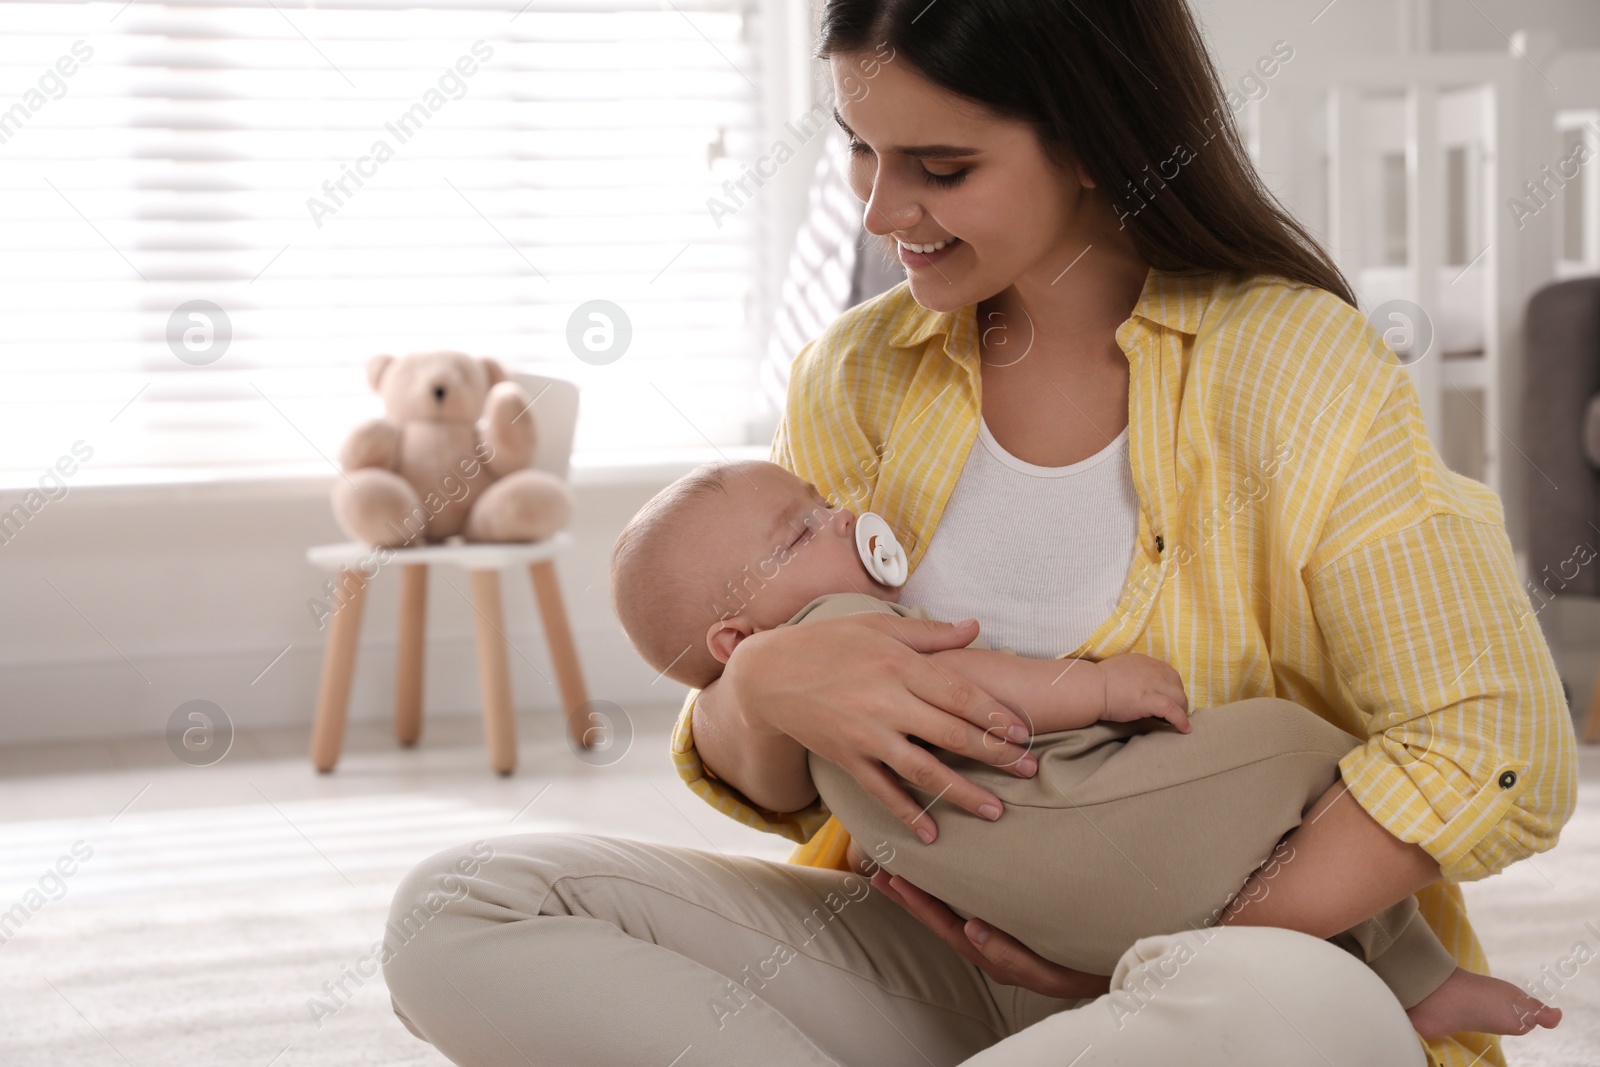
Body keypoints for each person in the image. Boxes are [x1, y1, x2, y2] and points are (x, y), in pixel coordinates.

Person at [380, 2, 1578, 1064]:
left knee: (1297, 1013)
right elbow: (800, 788)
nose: (879, 206)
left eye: (940, 166)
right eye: (856, 145)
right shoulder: (856, 374)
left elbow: (1491, 742)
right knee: (464, 906)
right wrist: (767, 682)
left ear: (1093, 139)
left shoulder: (1291, 361)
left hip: (1223, 972)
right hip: (930, 965)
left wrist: (1145, 949)